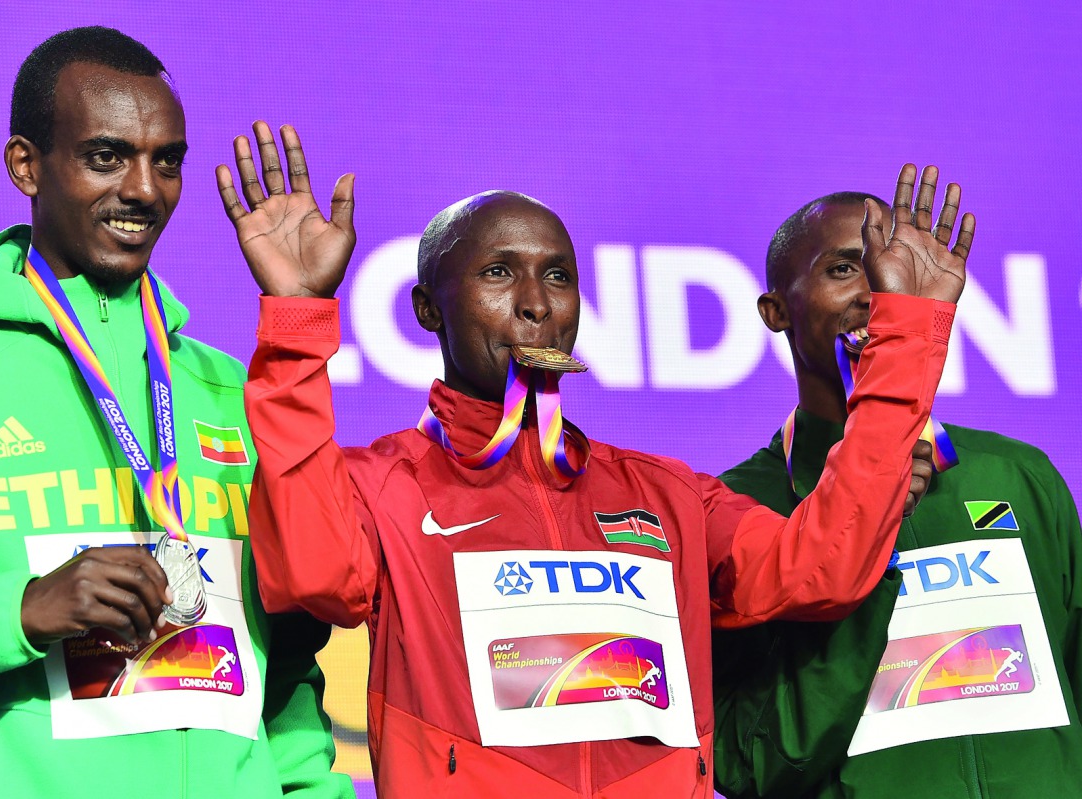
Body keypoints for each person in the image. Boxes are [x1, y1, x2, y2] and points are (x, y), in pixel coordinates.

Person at [218, 121, 969, 797]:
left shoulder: (667, 494)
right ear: (427, 308)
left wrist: (907, 337)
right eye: (498, 272)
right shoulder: (383, 483)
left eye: (557, 274)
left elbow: (822, 567)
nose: (538, 302)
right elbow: (314, 575)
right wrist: (295, 323)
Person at [0, 27, 348, 799]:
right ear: (25, 165)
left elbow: (287, 664)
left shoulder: (225, 389)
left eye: (166, 161)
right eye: (107, 156)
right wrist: (23, 608)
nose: (143, 188)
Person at [712, 191, 1082, 798]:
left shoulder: (1018, 475)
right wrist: (857, 546)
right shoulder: (738, 511)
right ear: (776, 311)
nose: (877, 289)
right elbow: (747, 764)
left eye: (895, 266)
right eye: (842, 268)